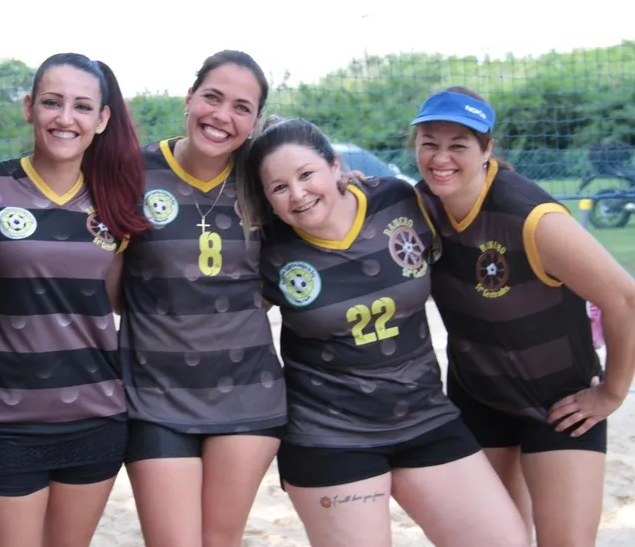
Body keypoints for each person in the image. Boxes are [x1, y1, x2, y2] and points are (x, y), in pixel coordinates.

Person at [235, 115, 529, 547]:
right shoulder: (267, 247)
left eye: (306, 174)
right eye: (279, 187)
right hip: (330, 435)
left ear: (335, 166)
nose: (297, 194)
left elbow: (477, 230)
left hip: (425, 417)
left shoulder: (397, 199)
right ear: (267, 199)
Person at [412, 86, 635, 546]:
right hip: (480, 395)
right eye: (429, 142)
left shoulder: (531, 217)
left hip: (560, 402)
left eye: (459, 145)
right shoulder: (418, 206)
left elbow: (625, 300)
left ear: (487, 149)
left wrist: (612, 392)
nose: (440, 157)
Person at [0, 53, 147, 547]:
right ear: (28, 107)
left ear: (102, 119)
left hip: (96, 417)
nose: (66, 118)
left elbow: (114, 299)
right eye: (52, 102)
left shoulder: (114, 203)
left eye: (83, 106)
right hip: (4, 421)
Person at [119, 50, 287, 547]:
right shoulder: (134, 171)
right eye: (212, 97)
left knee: (219, 540)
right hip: (154, 394)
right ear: (189, 98)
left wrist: (347, 184)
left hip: (247, 390)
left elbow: (313, 224)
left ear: (255, 121)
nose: (222, 115)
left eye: (241, 106)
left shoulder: (262, 178)